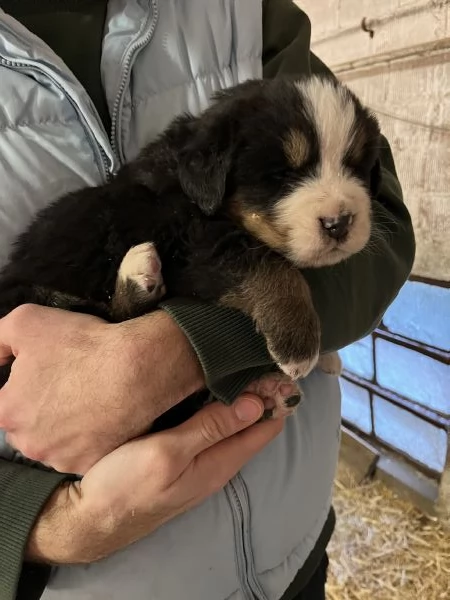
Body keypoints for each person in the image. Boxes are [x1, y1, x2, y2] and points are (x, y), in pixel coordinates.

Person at [0, 1, 415, 599]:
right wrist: (38, 524)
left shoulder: (242, 9)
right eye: (285, 176)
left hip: (295, 557)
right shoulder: (193, 181)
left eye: (353, 169)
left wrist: (190, 350)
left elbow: (390, 234)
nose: (337, 203)